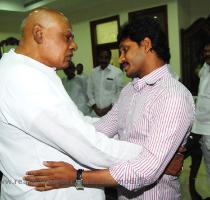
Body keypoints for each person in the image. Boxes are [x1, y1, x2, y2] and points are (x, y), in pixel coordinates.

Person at [25, 17, 195, 199]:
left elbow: (145, 170)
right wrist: (51, 127)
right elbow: (100, 131)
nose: (120, 58)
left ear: (146, 45)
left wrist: (77, 178)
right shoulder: (130, 91)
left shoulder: (172, 95)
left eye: (125, 50)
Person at [0, 8, 145, 200]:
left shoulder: (31, 71)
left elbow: (76, 121)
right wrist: (151, 155)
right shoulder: (22, 78)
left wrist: (122, 127)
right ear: (39, 34)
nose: (74, 45)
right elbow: (88, 145)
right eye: (67, 37)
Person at [191, 40, 210, 188]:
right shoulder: (204, 69)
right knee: (208, 164)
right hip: (202, 127)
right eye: (205, 51)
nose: (207, 54)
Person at [87, 48, 124, 117]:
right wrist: (95, 107)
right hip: (95, 113)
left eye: (106, 57)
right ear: (98, 58)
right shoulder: (93, 72)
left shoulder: (117, 72)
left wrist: (109, 108)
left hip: (111, 112)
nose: (103, 60)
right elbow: (89, 91)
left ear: (110, 58)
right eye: (101, 57)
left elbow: (119, 92)